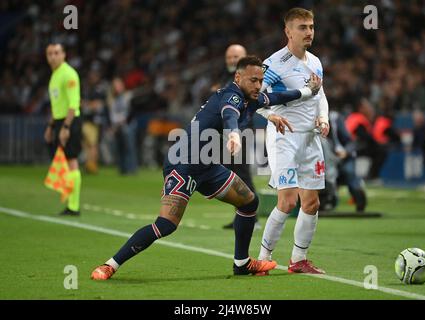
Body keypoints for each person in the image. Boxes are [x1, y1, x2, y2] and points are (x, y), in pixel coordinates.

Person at [91, 56, 321, 280]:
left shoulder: (252, 97)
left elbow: (279, 96)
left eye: (260, 80)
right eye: (253, 80)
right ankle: (109, 265)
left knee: (249, 202)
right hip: (184, 164)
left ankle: (241, 263)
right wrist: (233, 135)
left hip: (207, 165)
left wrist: (308, 91)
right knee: (166, 224)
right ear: (238, 77)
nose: (258, 85)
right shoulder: (231, 96)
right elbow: (229, 115)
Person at [255, 8, 328, 274]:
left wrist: (324, 118)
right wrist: (271, 115)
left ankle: (298, 260)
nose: (309, 32)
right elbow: (255, 97)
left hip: (310, 139)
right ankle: (263, 258)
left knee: (311, 203)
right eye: (302, 27)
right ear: (288, 31)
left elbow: (320, 95)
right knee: (287, 202)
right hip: (284, 138)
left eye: (311, 26)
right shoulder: (273, 65)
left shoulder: (316, 62)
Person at [216, 44, 261, 231]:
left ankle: (253, 217)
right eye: (229, 57)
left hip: (241, 130)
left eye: (235, 57)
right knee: (233, 174)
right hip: (228, 132)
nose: (231, 60)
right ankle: (240, 216)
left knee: (241, 173)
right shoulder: (227, 78)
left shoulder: (249, 79)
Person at [43, 43, 82, 216]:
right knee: (64, 161)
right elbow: (56, 105)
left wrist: (66, 127)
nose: (53, 56)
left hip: (70, 121)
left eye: (56, 53)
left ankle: (73, 206)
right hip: (59, 121)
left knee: (71, 160)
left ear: (64, 54)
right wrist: (51, 126)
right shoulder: (55, 75)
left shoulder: (69, 74)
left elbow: (74, 104)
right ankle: (69, 201)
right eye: (50, 53)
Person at [107, 77, 138, 175]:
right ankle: (123, 169)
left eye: (118, 85)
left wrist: (125, 121)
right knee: (119, 147)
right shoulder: (112, 99)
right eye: (115, 86)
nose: (117, 88)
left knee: (129, 147)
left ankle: (132, 169)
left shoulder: (128, 96)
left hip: (127, 124)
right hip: (117, 126)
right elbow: (112, 114)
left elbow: (131, 110)